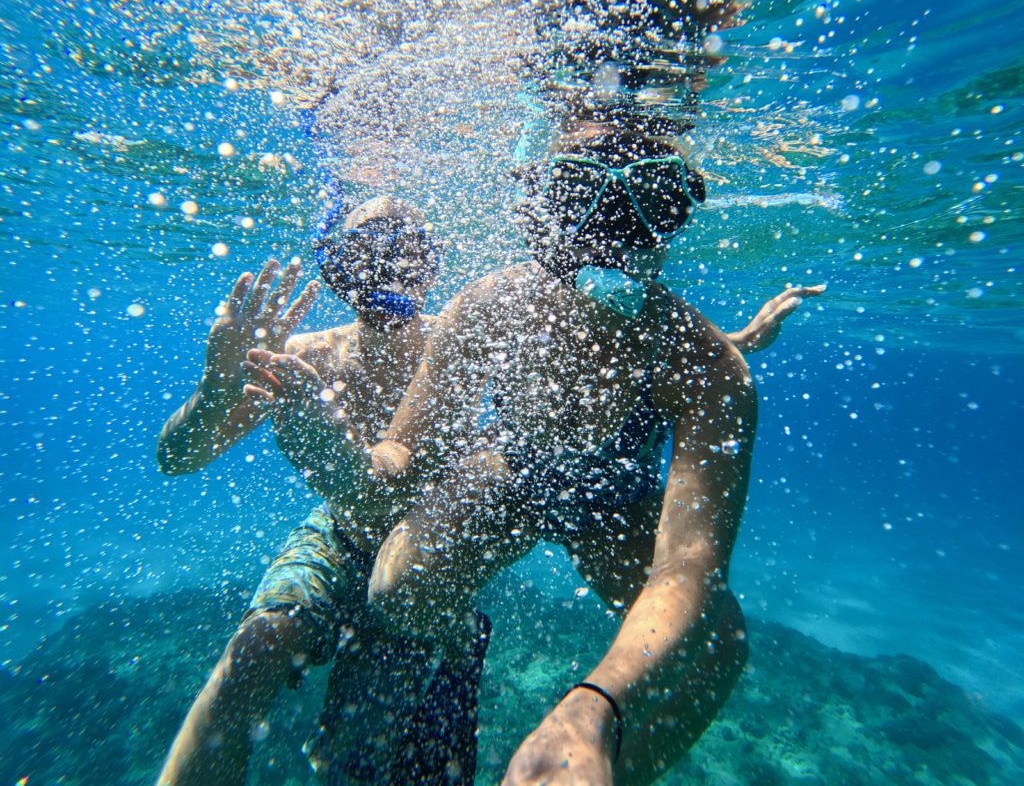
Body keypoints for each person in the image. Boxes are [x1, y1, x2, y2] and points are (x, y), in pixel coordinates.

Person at [364, 123, 825, 785]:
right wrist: (372, 465)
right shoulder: (489, 304)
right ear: (545, 206)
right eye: (581, 190)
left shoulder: (706, 365)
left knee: (718, 644)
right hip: (508, 476)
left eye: (652, 199)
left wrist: (593, 711)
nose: (612, 226)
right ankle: (461, 641)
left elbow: (689, 569)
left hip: (616, 508)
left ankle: (588, 773)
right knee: (394, 592)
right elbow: (404, 441)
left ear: (674, 220)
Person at [155, 195, 492, 786]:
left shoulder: (461, 348)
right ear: (336, 272)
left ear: (430, 267)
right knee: (248, 661)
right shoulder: (305, 356)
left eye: (404, 254)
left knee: (357, 758)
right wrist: (215, 387)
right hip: (336, 536)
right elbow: (177, 460)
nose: (384, 273)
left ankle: (459, 638)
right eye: (363, 256)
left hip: (420, 562)